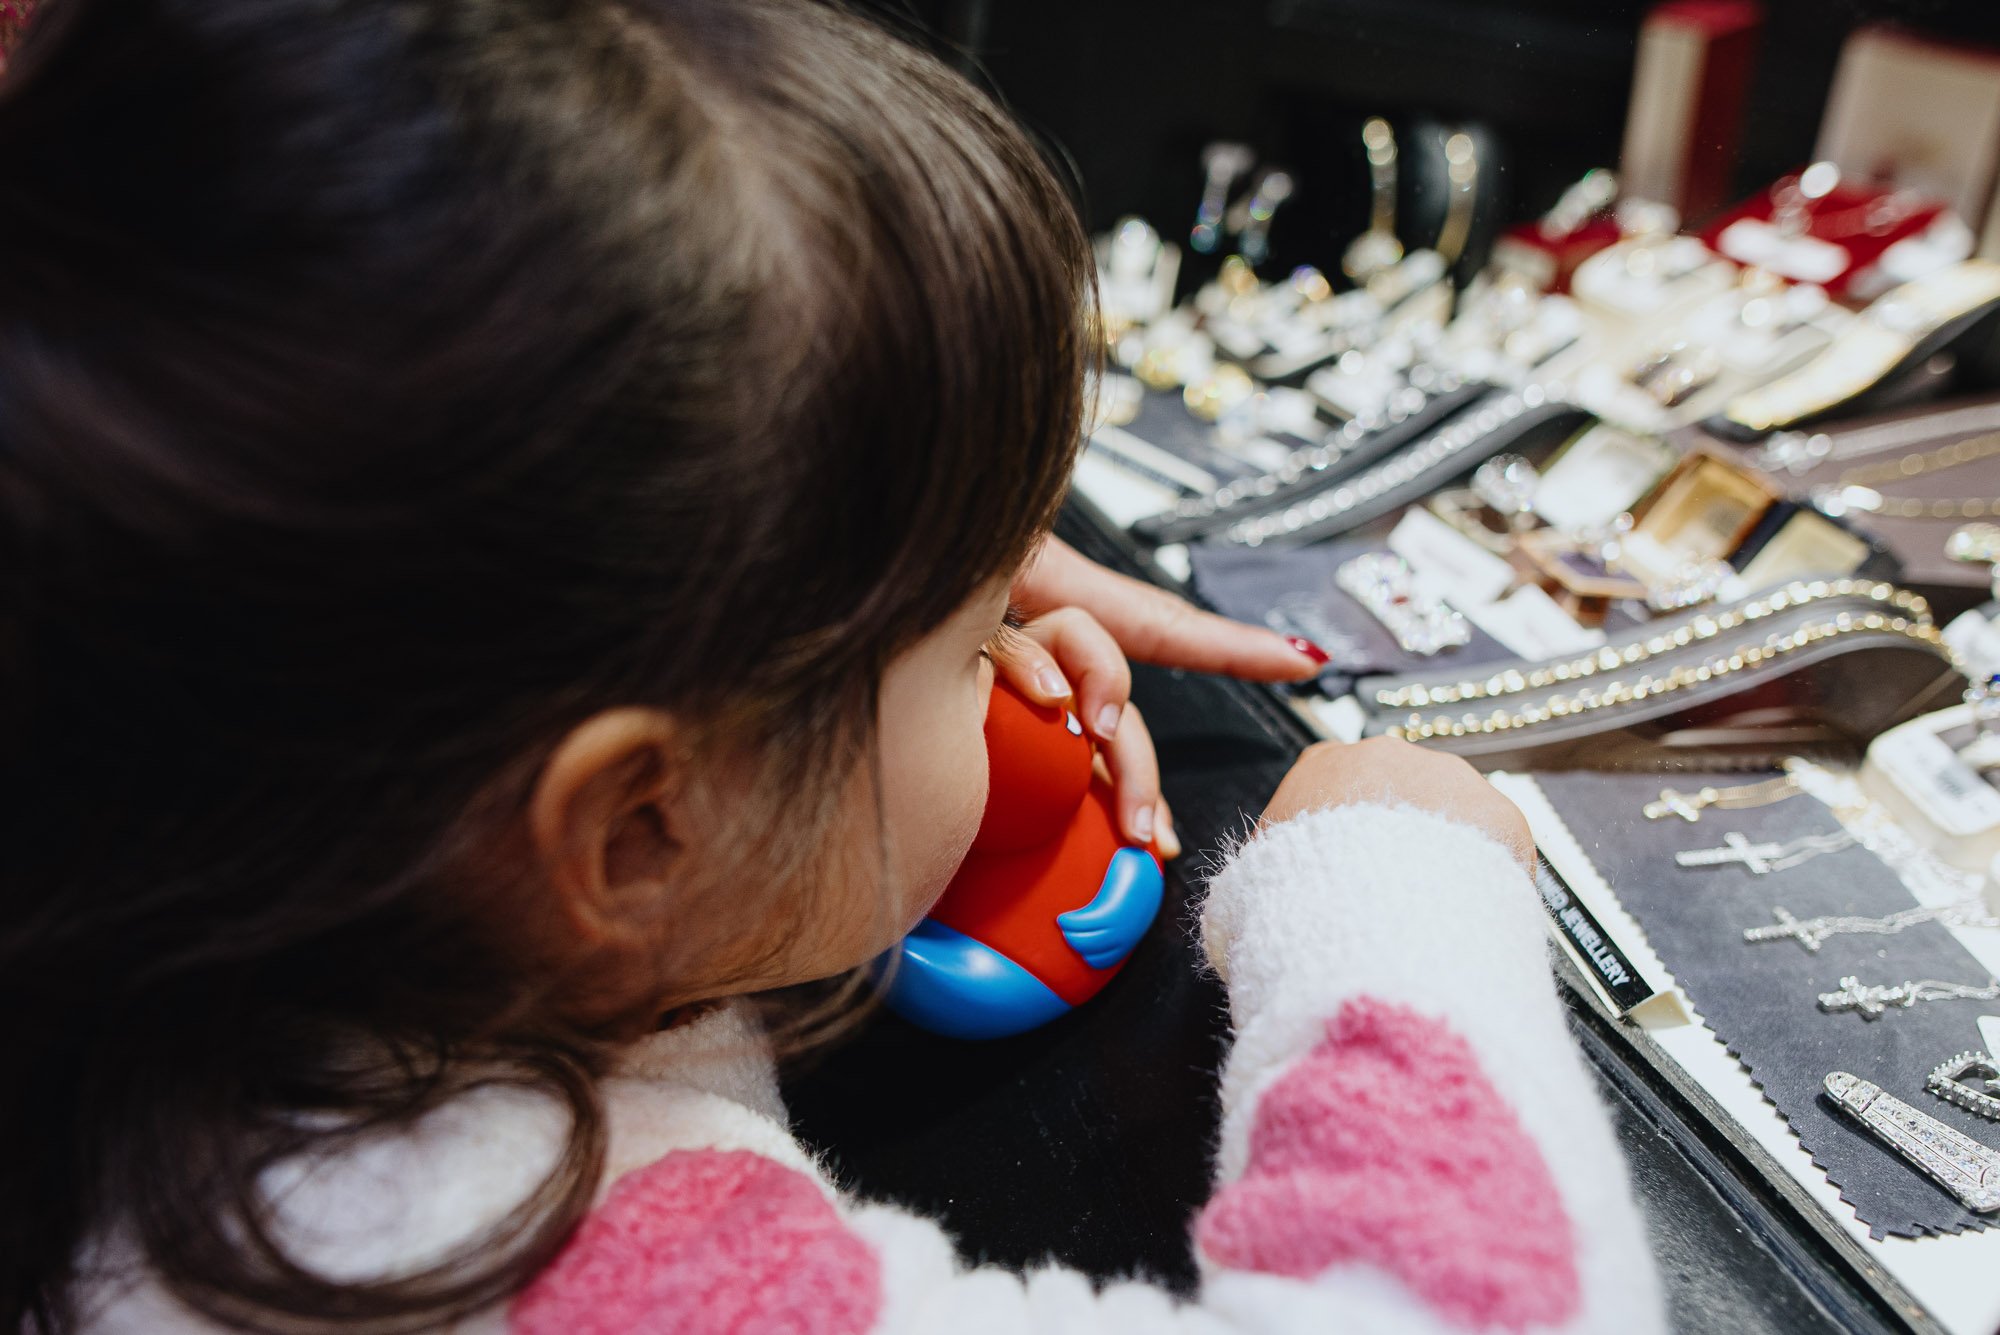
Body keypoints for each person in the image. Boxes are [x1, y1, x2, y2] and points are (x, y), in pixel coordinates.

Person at [0, 1, 1663, 1331]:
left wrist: (792, 830)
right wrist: (1388, 893)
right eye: (963, 644)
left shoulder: (200, 908)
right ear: (630, 829)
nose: (1032, 658)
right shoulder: (559, 1275)